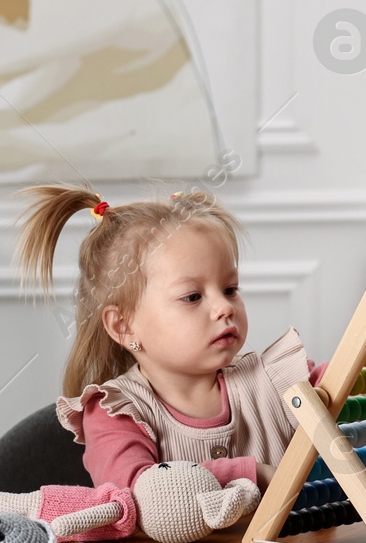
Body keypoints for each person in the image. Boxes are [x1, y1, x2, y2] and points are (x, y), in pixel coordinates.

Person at [16, 186, 313, 492]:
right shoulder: (115, 414)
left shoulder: (276, 380)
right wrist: (250, 474)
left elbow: (346, 381)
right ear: (124, 327)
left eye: (230, 289)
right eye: (192, 297)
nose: (224, 307)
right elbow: (138, 492)